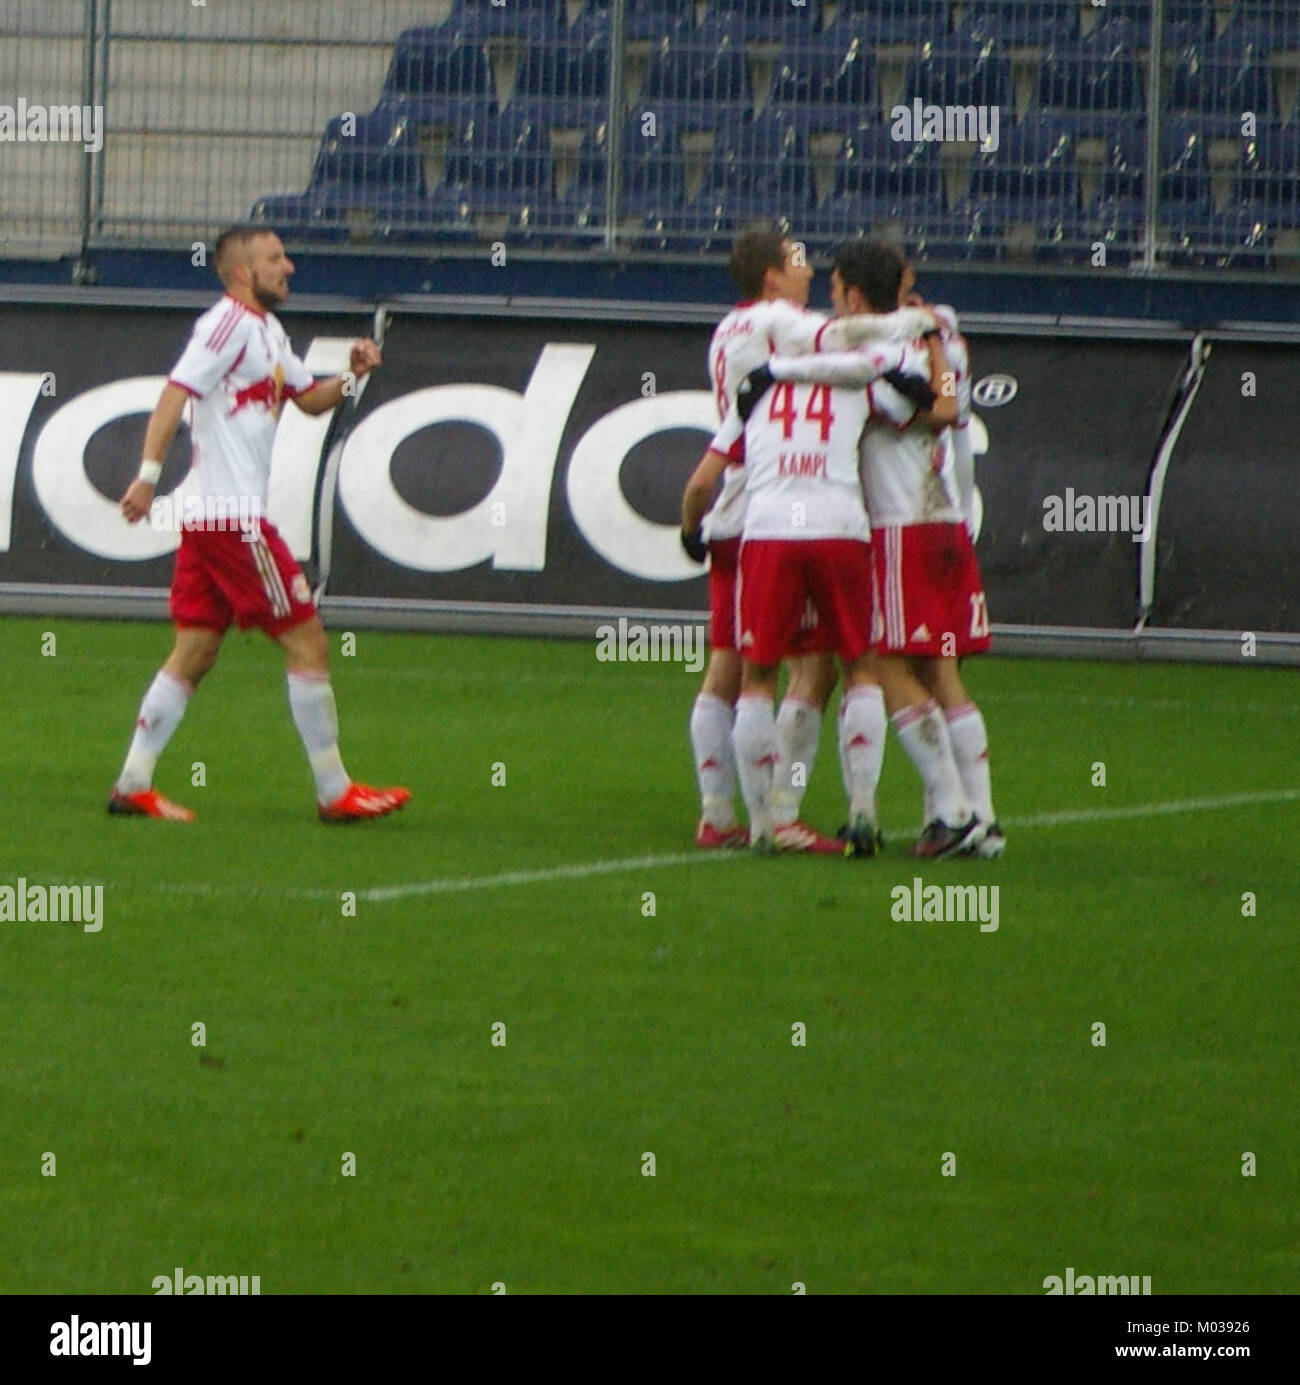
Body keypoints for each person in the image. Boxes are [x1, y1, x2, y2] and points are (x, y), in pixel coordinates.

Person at [110, 224, 410, 824]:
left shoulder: (267, 331)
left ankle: (133, 783)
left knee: (194, 650)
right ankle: (334, 791)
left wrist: (354, 374)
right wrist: (146, 475)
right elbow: (175, 392)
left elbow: (307, 400)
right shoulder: (226, 326)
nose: (289, 267)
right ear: (244, 273)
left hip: (209, 520)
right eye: (276, 259)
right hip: (233, 522)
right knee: (307, 640)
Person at [687, 227, 935, 852]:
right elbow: (847, 339)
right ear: (771, 277)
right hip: (772, 506)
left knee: (730, 664)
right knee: (811, 670)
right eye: (798, 261)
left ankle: (720, 812)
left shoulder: (729, 329)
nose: (809, 271)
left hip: (737, 507)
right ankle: (784, 809)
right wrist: (912, 329)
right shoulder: (782, 323)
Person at [760, 242, 995, 857]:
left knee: (882, 665)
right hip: (949, 517)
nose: (829, 298)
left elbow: (934, 409)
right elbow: (952, 403)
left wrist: (775, 372)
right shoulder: (940, 339)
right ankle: (983, 820)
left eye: (835, 289)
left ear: (854, 295)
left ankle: (952, 810)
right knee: (941, 672)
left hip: (898, 524)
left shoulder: (868, 354)